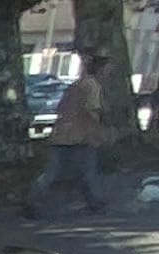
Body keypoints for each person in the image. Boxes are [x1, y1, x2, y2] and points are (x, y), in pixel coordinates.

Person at [32, 56, 110, 217]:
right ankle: (94, 202)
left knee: (52, 172)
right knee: (87, 170)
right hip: (80, 136)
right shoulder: (92, 85)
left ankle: (33, 201)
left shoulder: (76, 85)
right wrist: (99, 132)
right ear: (101, 69)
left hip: (61, 134)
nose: (110, 73)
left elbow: (61, 107)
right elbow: (92, 110)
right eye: (109, 68)